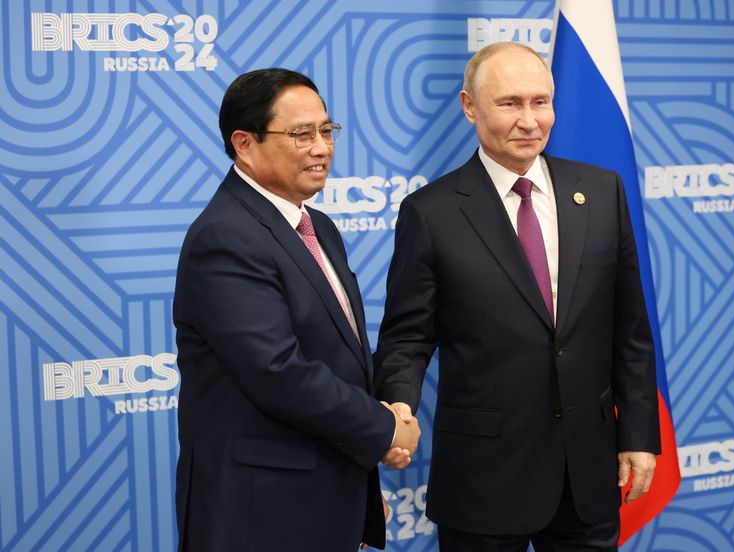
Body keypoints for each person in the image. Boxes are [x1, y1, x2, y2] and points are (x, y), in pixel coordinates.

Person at [374, 42, 661, 551]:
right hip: (485, 478)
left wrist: (638, 434)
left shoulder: (601, 191)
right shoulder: (431, 212)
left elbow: (630, 330)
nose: (530, 120)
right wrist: (398, 404)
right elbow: (408, 337)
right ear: (470, 107)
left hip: (587, 475)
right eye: (509, 103)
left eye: (540, 102)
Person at [173, 68, 420, 552]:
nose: (322, 147)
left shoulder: (318, 226)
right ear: (244, 143)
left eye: (327, 131)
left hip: (326, 493)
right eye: (301, 134)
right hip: (261, 513)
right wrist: (383, 427)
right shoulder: (226, 236)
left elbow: (340, 358)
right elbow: (277, 371)